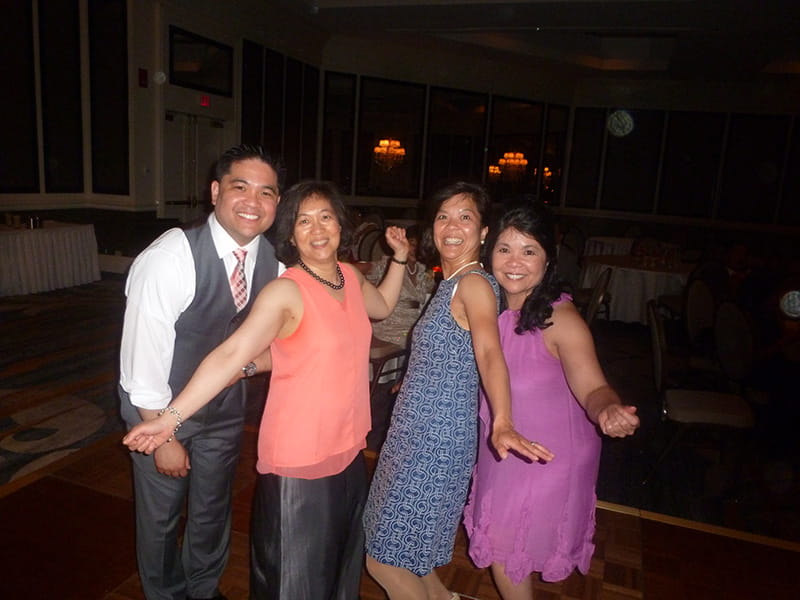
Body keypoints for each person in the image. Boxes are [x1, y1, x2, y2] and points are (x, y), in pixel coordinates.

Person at [123, 180, 410, 600]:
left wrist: (399, 259)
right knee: (292, 580)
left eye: (325, 217)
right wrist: (168, 420)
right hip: (300, 456)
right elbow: (230, 352)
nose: (316, 230)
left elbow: (381, 308)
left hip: (348, 446)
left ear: (340, 224)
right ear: (290, 234)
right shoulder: (285, 290)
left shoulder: (348, 276)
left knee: (339, 568)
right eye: (303, 221)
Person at [362, 182, 555, 600]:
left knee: (384, 558)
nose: (452, 227)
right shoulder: (451, 282)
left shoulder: (473, 284)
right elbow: (458, 351)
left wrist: (503, 420)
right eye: (443, 216)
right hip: (417, 432)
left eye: (465, 217)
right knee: (411, 555)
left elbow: (488, 351)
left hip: (434, 442)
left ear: (484, 231)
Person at [119, 144, 283, 600]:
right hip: (155, 408)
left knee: (212, 509)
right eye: (240, 187)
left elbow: (285, 339)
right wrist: (164, 435)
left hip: (225, 411)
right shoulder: (171, 256)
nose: (253, 201)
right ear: (215, 192)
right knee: (161, 517)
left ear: (276, 204)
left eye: (266, 192)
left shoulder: (273, 262)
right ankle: (167, 594)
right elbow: (141, 359)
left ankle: (204, 588)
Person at [463, 203, 640, 599]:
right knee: (503, 545)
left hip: (547, 454)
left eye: (529, 251)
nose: (514, 262)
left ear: (548, 259)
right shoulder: (486, 305)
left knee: (505, 546)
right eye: (504, 248)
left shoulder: (560, 319)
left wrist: (608, 408)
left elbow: (593, 386)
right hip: (503, 443)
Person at [359, 225, 436, 451]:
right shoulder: (387, 265)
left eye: (417, 246)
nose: (413, 249)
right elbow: (370, 291)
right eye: (411, 244)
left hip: (411, 331)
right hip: (388, 330)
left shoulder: (423, 270)